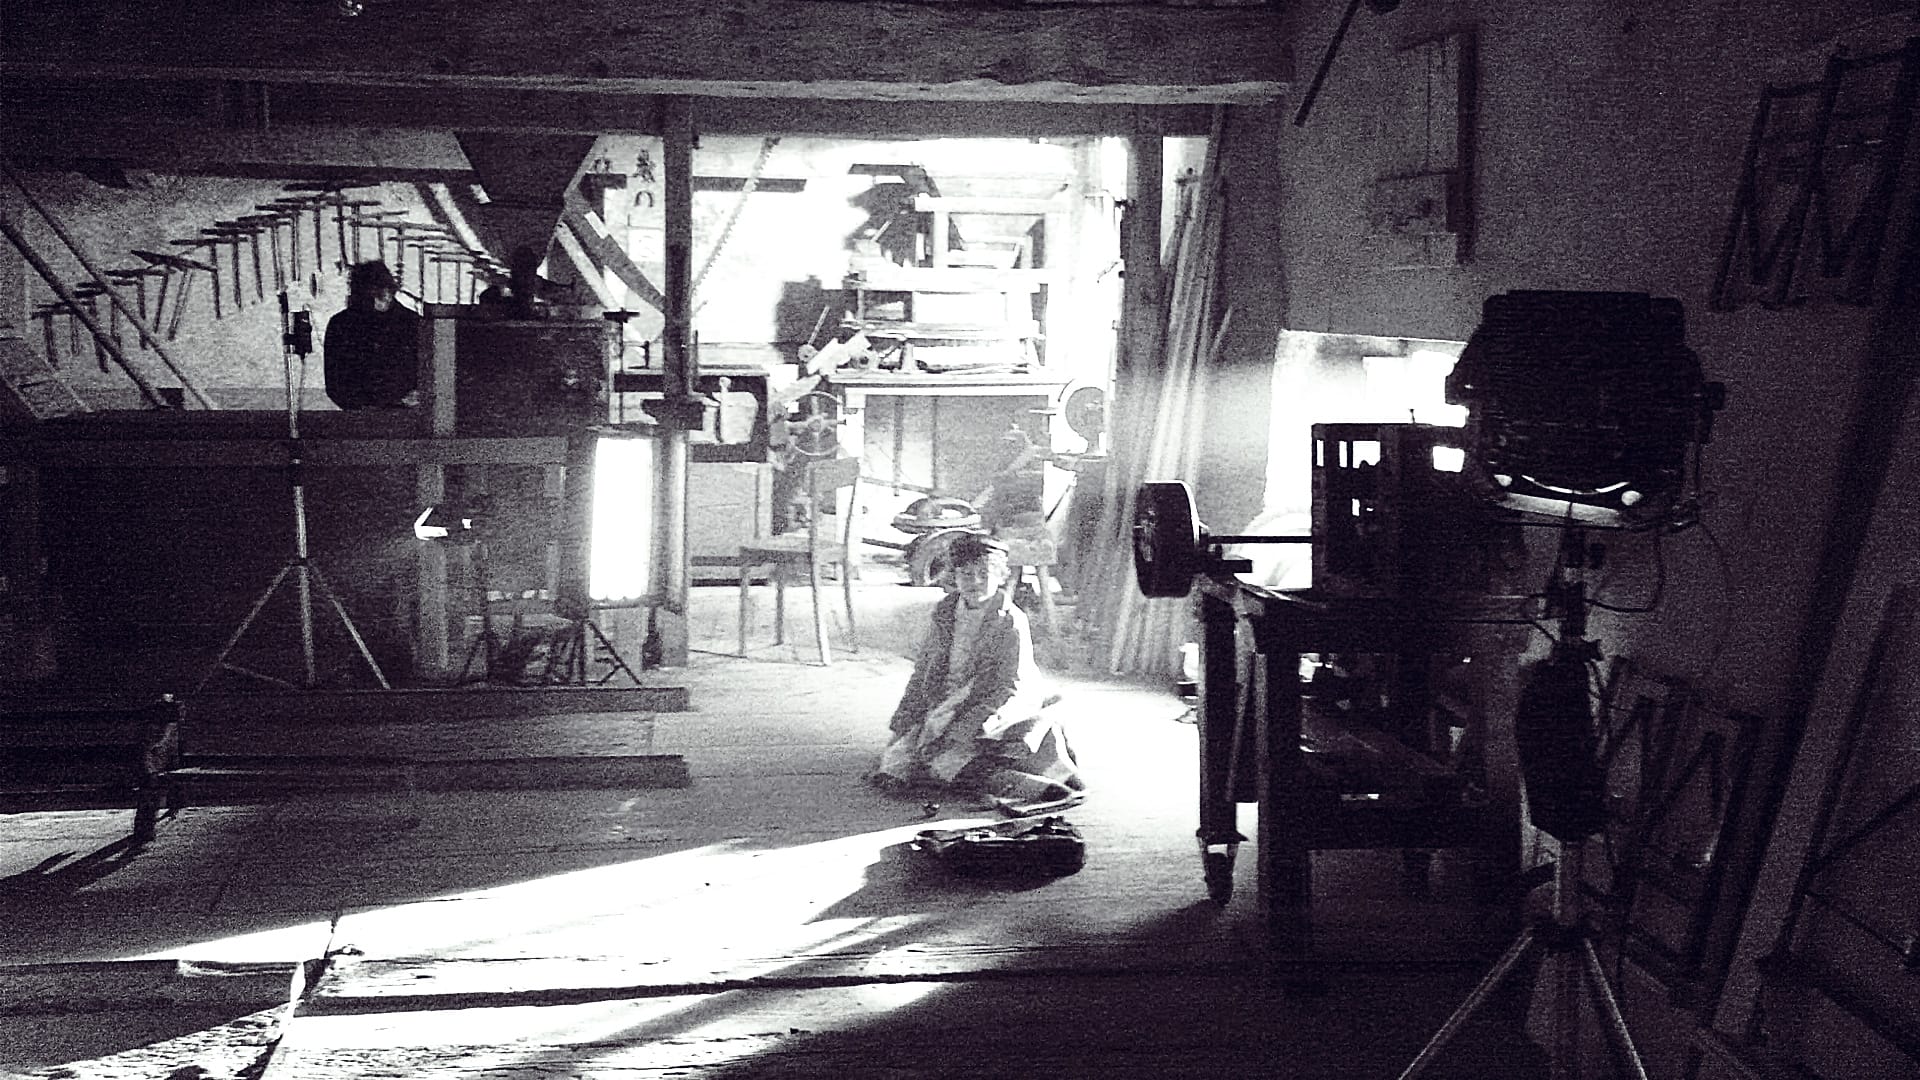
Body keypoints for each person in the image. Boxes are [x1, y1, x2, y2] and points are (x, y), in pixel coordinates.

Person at [874, 531, 1085, 807]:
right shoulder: (945, 612)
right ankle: (989, 777)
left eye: (983, 574)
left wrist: (967, 727)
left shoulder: (1010, 620)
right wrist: (906, 715)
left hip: (994, 699)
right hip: (948, 698)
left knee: (951, 753)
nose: (974, 582)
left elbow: (1010, 685)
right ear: (954, 576)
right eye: (965, 574)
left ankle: (1030, 786)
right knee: (900, 757)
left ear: (1001, 576)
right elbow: (924, 668)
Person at [323, 261, 419, 409]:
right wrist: (360, 406)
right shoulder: (342, 325)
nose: (381, 301)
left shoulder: (413, 323)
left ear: (389, 291)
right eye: (371, 298)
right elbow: (335, 382)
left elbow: (427, 375)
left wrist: (415, 396)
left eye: (382, 295)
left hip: (406, 416)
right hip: (360, 416)